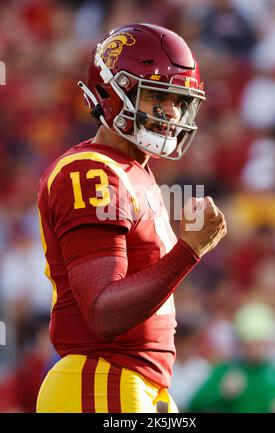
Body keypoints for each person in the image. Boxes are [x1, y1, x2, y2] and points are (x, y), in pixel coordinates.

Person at [36, 23, 227, 413]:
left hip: (135, 382)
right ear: (112, 91)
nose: (171, 111)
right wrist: (189, 251)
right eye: (157, 95)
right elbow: (104, 313)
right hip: (102, 377)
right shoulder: (90, 171)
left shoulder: (133, 171)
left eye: (178, 99)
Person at [188, 303, 275, 413]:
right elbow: (195, 405)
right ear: (240, 342)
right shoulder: (226, 370)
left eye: (259, 342)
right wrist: (221, 392)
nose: (255, 348)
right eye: (250, 342)